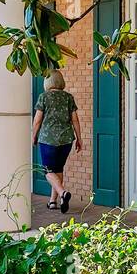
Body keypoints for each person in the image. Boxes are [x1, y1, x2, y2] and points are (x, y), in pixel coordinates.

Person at [32, 70, 82, 213]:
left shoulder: (44, 97)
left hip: (48, 139)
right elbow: (75, 120)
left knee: (47, 171)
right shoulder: (68, 97)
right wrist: (79, 138)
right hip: (66, 139)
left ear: (47, 82)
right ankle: (53, 201)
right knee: (58, 169)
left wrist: (33, 136)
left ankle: (63, 193)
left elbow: (37, 120)